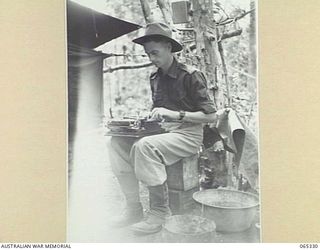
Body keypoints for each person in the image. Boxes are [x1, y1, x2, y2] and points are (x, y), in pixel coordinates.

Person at [108, 22, 226, 234]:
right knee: (116, 142)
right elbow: (159, 110)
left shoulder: (191, 75)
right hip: (164, 131)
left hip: (188, 135)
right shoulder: (155, 77)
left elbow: (211, 115)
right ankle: (133, 209)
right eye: (148, 54)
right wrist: (148, 118)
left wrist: (175, 114)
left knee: (144, 147)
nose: (152, 59)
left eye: (155, 53)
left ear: (169, 48)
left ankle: (160, 212)